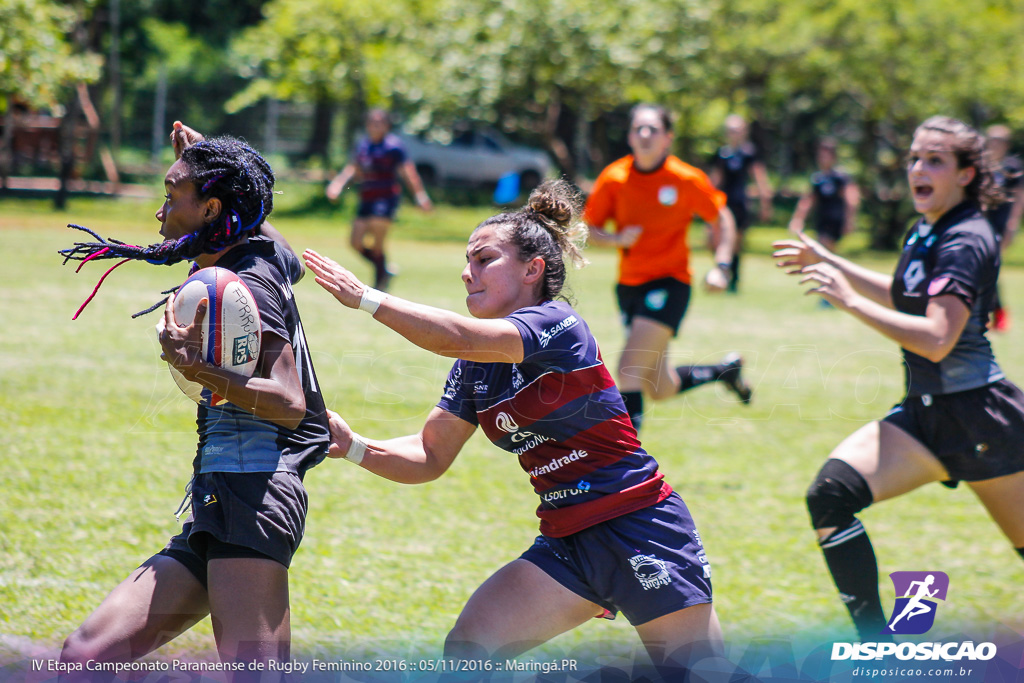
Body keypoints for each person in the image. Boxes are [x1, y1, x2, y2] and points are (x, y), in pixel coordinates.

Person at [302, 180, 723, 678]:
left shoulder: (559, 324)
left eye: (483, 259)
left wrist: (365, 297)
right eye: (466, 261)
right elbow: (430, 454)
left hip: (639, 525)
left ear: (532, 269)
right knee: (468, 650)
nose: (466, 273)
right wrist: (354, 447)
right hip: (568, 542)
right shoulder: (475, 366)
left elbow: (452, 335)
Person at [57, 122, 329, 678]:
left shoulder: (247, 281)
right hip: (218, 497)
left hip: (254, 495)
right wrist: (212, 169)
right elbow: (276, 244)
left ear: (209, 211)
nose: (159, 213)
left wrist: (196, 368)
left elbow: (288, 402)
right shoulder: (263, 254)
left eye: (170, 194)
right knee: (85, 658)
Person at [772, 116, 1024, 640]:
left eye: (935, 160)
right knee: (830, 495)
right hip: (928, 414)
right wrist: (829, 261)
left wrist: (846, 300)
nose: (918, 169)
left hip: (982, 421)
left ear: (967, 174)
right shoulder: (927, 227)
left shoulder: (967, 238)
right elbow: (904, 292)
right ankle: (876, 642)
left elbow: (936, 336)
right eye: (914, 158)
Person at [584, 103, 751, 432]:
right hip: (629, 286)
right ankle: (723, 371)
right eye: (638, 129)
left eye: (653, 129)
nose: (644, 135)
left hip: (669, 284)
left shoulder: (685, 178)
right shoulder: (615, 177)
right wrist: (617, 237)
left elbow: (722, 218)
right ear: (630, 137)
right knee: (659, 387)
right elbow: (589, 229)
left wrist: (722, 264)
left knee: (629, 369)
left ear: (667, 138)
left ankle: (627, 468)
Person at [325, 108, 433, 291]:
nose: (375, 126)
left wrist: (420, 196)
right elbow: (353, 168)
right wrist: (337, 184)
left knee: (377, 239)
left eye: (380, 122)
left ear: (386, 125)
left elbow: (408, 172)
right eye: (372, 122)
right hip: (366, 198)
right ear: (367, 125)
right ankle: (384, 269)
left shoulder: (393, 147)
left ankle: (379, 283)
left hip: (386, 199)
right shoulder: (363, 146)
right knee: (355, 242)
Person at [709, 114, 773, 293]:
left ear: (744, 132)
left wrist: (764, 203)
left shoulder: (749, 153)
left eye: (736, 130)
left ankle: (733, 282)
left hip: (740, 203)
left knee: (736, 243)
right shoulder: (722, 154)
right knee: (714, 240)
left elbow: (759, 178)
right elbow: (716, 180)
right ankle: (722, 273)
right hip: (723, 204)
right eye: (730, 130)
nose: (733, 134)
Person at [787, 138, 861, 253]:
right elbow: (808, 200)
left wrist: (849, 220)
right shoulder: (817, 178)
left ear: (833, 157)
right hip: (821, 219)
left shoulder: (841, 177)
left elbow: (851, 199)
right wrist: (798, 219)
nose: (822, 159)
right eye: (820, 156)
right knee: (824, 251)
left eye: (825, 156)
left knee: (824, 249)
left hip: (835, 219)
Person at [984, 124, 1023, 331]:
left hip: (1000, 225)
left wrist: (1012, 225)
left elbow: (1019, 199)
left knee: (992, 268)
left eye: (999, 141)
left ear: (1006, 145)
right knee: (985, 268)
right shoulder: (983, 167)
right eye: (992, 140)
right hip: (981, 224)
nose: (995, 145)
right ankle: (988, 312)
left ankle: (998, 313)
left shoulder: (1013, 168)